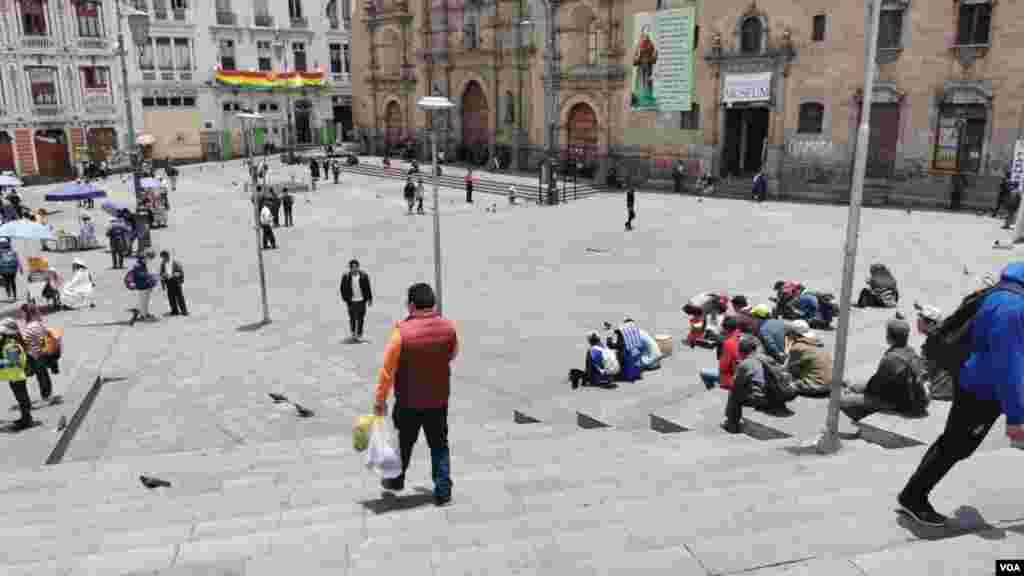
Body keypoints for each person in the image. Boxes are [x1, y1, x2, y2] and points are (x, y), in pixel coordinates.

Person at [898, 262, 1024, 527]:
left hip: (983, 382)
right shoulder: (1012, 307)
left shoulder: (1006, 293)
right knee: (955, 446)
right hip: (983, 390)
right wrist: (1015, 416)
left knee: (954, 444)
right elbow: (1007, 363)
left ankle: (913, 494)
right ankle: (913, 497)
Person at [374, 282, 458, 506]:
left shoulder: (401, 333)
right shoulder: (449, 328)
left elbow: (387, 370)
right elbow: (452, 354)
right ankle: (443, 491)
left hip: (409, 402)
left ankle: (396, 480)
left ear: (411, 305)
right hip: (438, 400)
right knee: (439, 444)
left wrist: (380, 400)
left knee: (405, 442)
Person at [840, 317, 928, 422]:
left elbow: (875, 387)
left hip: (900, 403)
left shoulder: (891, 359)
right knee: (857, 386)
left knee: (842, 401)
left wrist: (855, 393)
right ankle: (853, 389)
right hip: (909, 396)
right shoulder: (910, 351)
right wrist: (855, 387)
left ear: (889, 337)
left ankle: (866, 418)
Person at [722, 336, 764, 433]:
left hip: (760, 397)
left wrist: (738, 370)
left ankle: (732, 424)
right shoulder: (761, 358)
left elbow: (736, 384)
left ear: (741, 352)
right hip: (774, 394)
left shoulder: (745, 364)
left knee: (734, 393)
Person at [21, 303, 60, 406]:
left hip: (36, 355)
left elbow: (38, 340)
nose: (22, 316)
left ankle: (47, 396)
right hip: (38, 354)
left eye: (23, 313)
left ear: (29, 313)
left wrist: (38, 350)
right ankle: (47, 395)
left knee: (42, 376)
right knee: (42, 376)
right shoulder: (36, 324)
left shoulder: (32, 326)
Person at [915, 303, 953, 401]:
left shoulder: (934, 341)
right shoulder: (942, 332)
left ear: (931, 324)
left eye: (922, 320)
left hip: (944, 387)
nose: (918, 322)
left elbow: (925, 368)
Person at [785, 320, 833, 397]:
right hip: (829, 386)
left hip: (814, 387)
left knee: (783, 380)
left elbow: (790, 369)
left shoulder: (798, 347)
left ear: (794, 333)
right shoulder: (818, 343)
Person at [1, 318, 33, 430]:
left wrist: (1, 364)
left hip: (16, 376)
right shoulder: (11, 343)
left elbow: (13, 362)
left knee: (21, 398)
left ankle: (26, 419)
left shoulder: (10, 345)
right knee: (21, 398)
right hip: (15, 375)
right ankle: (25, 418)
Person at [699, 316, 743, 390]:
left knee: (703, 372)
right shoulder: (743, 336)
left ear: (726, 329)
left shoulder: (729, 343)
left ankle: (712, 390)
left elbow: (723, 367)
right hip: (745, 375)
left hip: (734, 378)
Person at [340, 259, 373, 341]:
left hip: (362, 300)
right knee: (352, 317)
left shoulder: (364, 276)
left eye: (356, 267)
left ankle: (359, 334)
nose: (354, 269)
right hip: (351, 301)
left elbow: (368, 288)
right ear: (350, 268)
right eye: (352, 267)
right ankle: (353, 333)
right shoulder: (346, 277)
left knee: (361, 318)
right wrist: (345, 299)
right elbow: (342, 288)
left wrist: (369, 299)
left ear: (358, 267)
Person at [128, 253, 158, 323]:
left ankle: (146, 313)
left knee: (146, 301)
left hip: (145, 285)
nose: (146, 260)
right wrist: (149, 275)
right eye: (145, 258)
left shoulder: (143, 265)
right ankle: (143, 315)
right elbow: (141, 275)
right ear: (141, 259)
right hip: (141, 286)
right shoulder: (138, 266)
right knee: (143, 302)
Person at [159, 250, 187, 316]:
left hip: (176, 281)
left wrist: (177, 276)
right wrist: (163, 283)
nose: (163, 259)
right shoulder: (162, 264)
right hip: (168, 282)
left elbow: (180, 272)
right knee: (171, 298)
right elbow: (161, 274)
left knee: (180, 297)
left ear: (167, 256)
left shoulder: (175, 263)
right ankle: (174, 311)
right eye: (162, 258)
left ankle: (184, 311)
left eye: (164, 257)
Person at [0, 238, 22, 302]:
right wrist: (20, 267)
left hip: (4, 269)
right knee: (12, 282)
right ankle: (14, 296)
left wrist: (20, 267)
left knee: (7, 283)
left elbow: (17, 258)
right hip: (12, 269)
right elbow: (17, 258)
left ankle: (9, 296)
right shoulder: (12, 250)